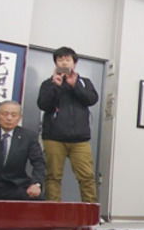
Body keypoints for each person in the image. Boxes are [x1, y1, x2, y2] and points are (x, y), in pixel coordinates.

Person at [37, 46, 99, 202]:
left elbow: (91, 100)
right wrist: (55, 87)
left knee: (87, 177)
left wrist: (75, 85)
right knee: (53, 176)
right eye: (60, 60)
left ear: (74, 63)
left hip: (80, 140)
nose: (64, 63)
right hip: (53, 138)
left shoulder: (84, 82)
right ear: (55, 63)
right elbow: (43, 105)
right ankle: (53, 211)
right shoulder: (48, 83)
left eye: (67, 59)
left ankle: (90, 210)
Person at [0, 101, 45, 200]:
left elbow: (38, 162)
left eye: (14, 115)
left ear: (20, 118)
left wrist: (36, 184)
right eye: (5, 114)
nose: (9, 118)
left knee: (37, 198)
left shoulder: (29, 137)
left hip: (15, 185)